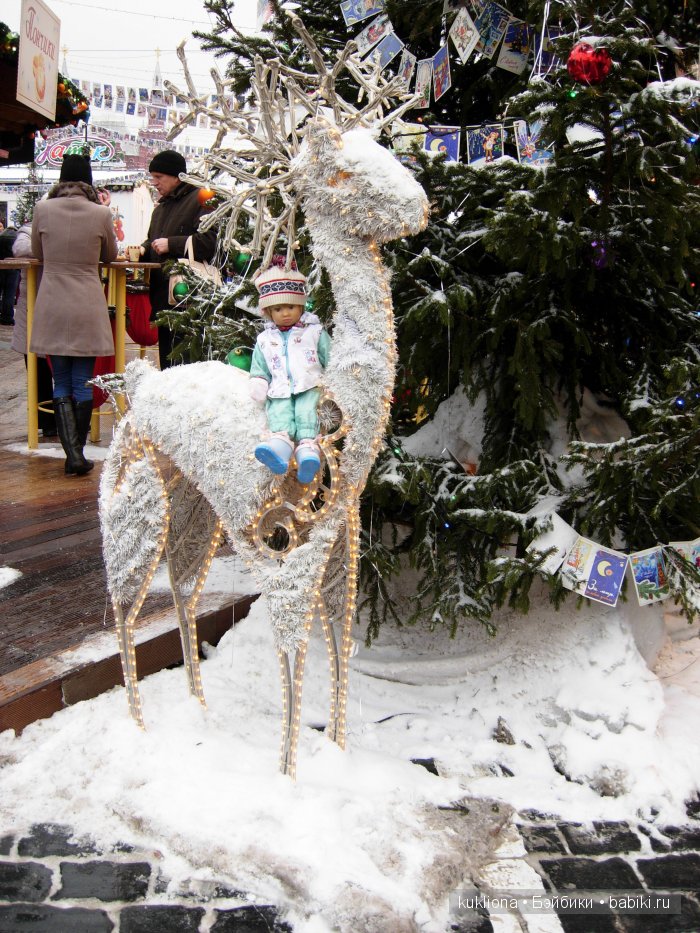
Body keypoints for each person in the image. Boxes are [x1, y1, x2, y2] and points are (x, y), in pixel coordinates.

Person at [30, 153, 118, 476]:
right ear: (88, 181)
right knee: (83, 378)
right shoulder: (100, 213)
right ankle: (77, 454)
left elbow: (38, 254)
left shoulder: (43, 210)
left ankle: (72, 454)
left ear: (61, 180)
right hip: (86, 301)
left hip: (52, 300)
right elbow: (111, 254)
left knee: (60, 378)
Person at [248, 260, 331, 484]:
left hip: (309, 385)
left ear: (301, 306)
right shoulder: (265, 339)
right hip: (280, 389)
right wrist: (259, 381)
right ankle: (280, 448)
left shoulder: (314, 332)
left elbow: (330, 356)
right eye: (277, 309)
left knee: (307, 412)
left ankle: (307, 452)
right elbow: (259, 366)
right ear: (268, 311)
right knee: (279, 412)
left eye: (291, 307)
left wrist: (334, 381)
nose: (285, 313)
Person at [139, 150, 217, 369]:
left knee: (186, 366)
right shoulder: (161, 208)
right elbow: (152, 241)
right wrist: (142, 250)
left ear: (176, 177)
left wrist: (171, 244)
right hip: (164, 300)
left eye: (158, 177)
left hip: (189, 300)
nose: (154, 183)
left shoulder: (202, 199)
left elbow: (210, 242)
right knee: (168, 363)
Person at [11, 219, 57, 437]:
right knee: (38, 368)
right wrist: (54, 246)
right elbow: (19, 248)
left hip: (58, 309)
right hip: (34, 310)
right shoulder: (29, 230)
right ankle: (48, 422)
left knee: (65, 368)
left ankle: (68, 418)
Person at [0, 221, 20, 325]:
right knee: (9, 294)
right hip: (13, 269)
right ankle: (7, 318)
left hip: (1, 266)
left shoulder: (1, 236)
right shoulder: (17, 238)